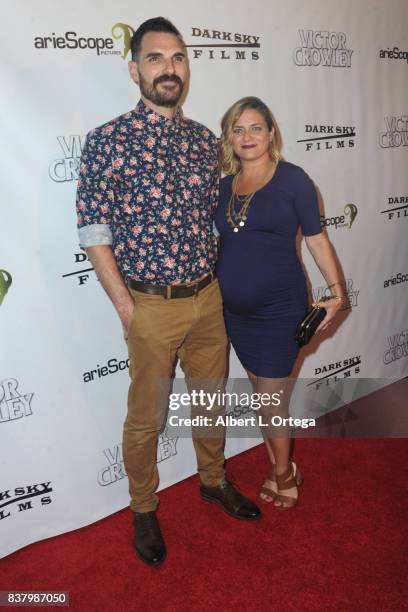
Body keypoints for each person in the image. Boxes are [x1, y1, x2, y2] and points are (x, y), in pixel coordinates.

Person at [76, 19, 260, 566]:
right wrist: (127, 307)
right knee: (147, 416)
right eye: (156, 59)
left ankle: (212, 480)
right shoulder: (107, 140)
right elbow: (93, 231)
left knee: (209, 401)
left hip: (208, 299)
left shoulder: (205, 140)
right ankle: (142, 506)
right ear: (135, 69)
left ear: (187, 68)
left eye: (177, 58)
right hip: (149, 304)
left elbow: (226, 214)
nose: (169, 69)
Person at [215, 96, 346, 510]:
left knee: (272, 399)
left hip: (279, 310)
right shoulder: (222, 187)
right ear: (229, 138)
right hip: (235, 313)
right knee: (261, 393)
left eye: (256, 127)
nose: (247, 136)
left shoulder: (293, 180)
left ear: (272, 133)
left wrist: (338, 292)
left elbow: (317, 239)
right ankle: (275, 464)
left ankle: (285, 474)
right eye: (238, 129)